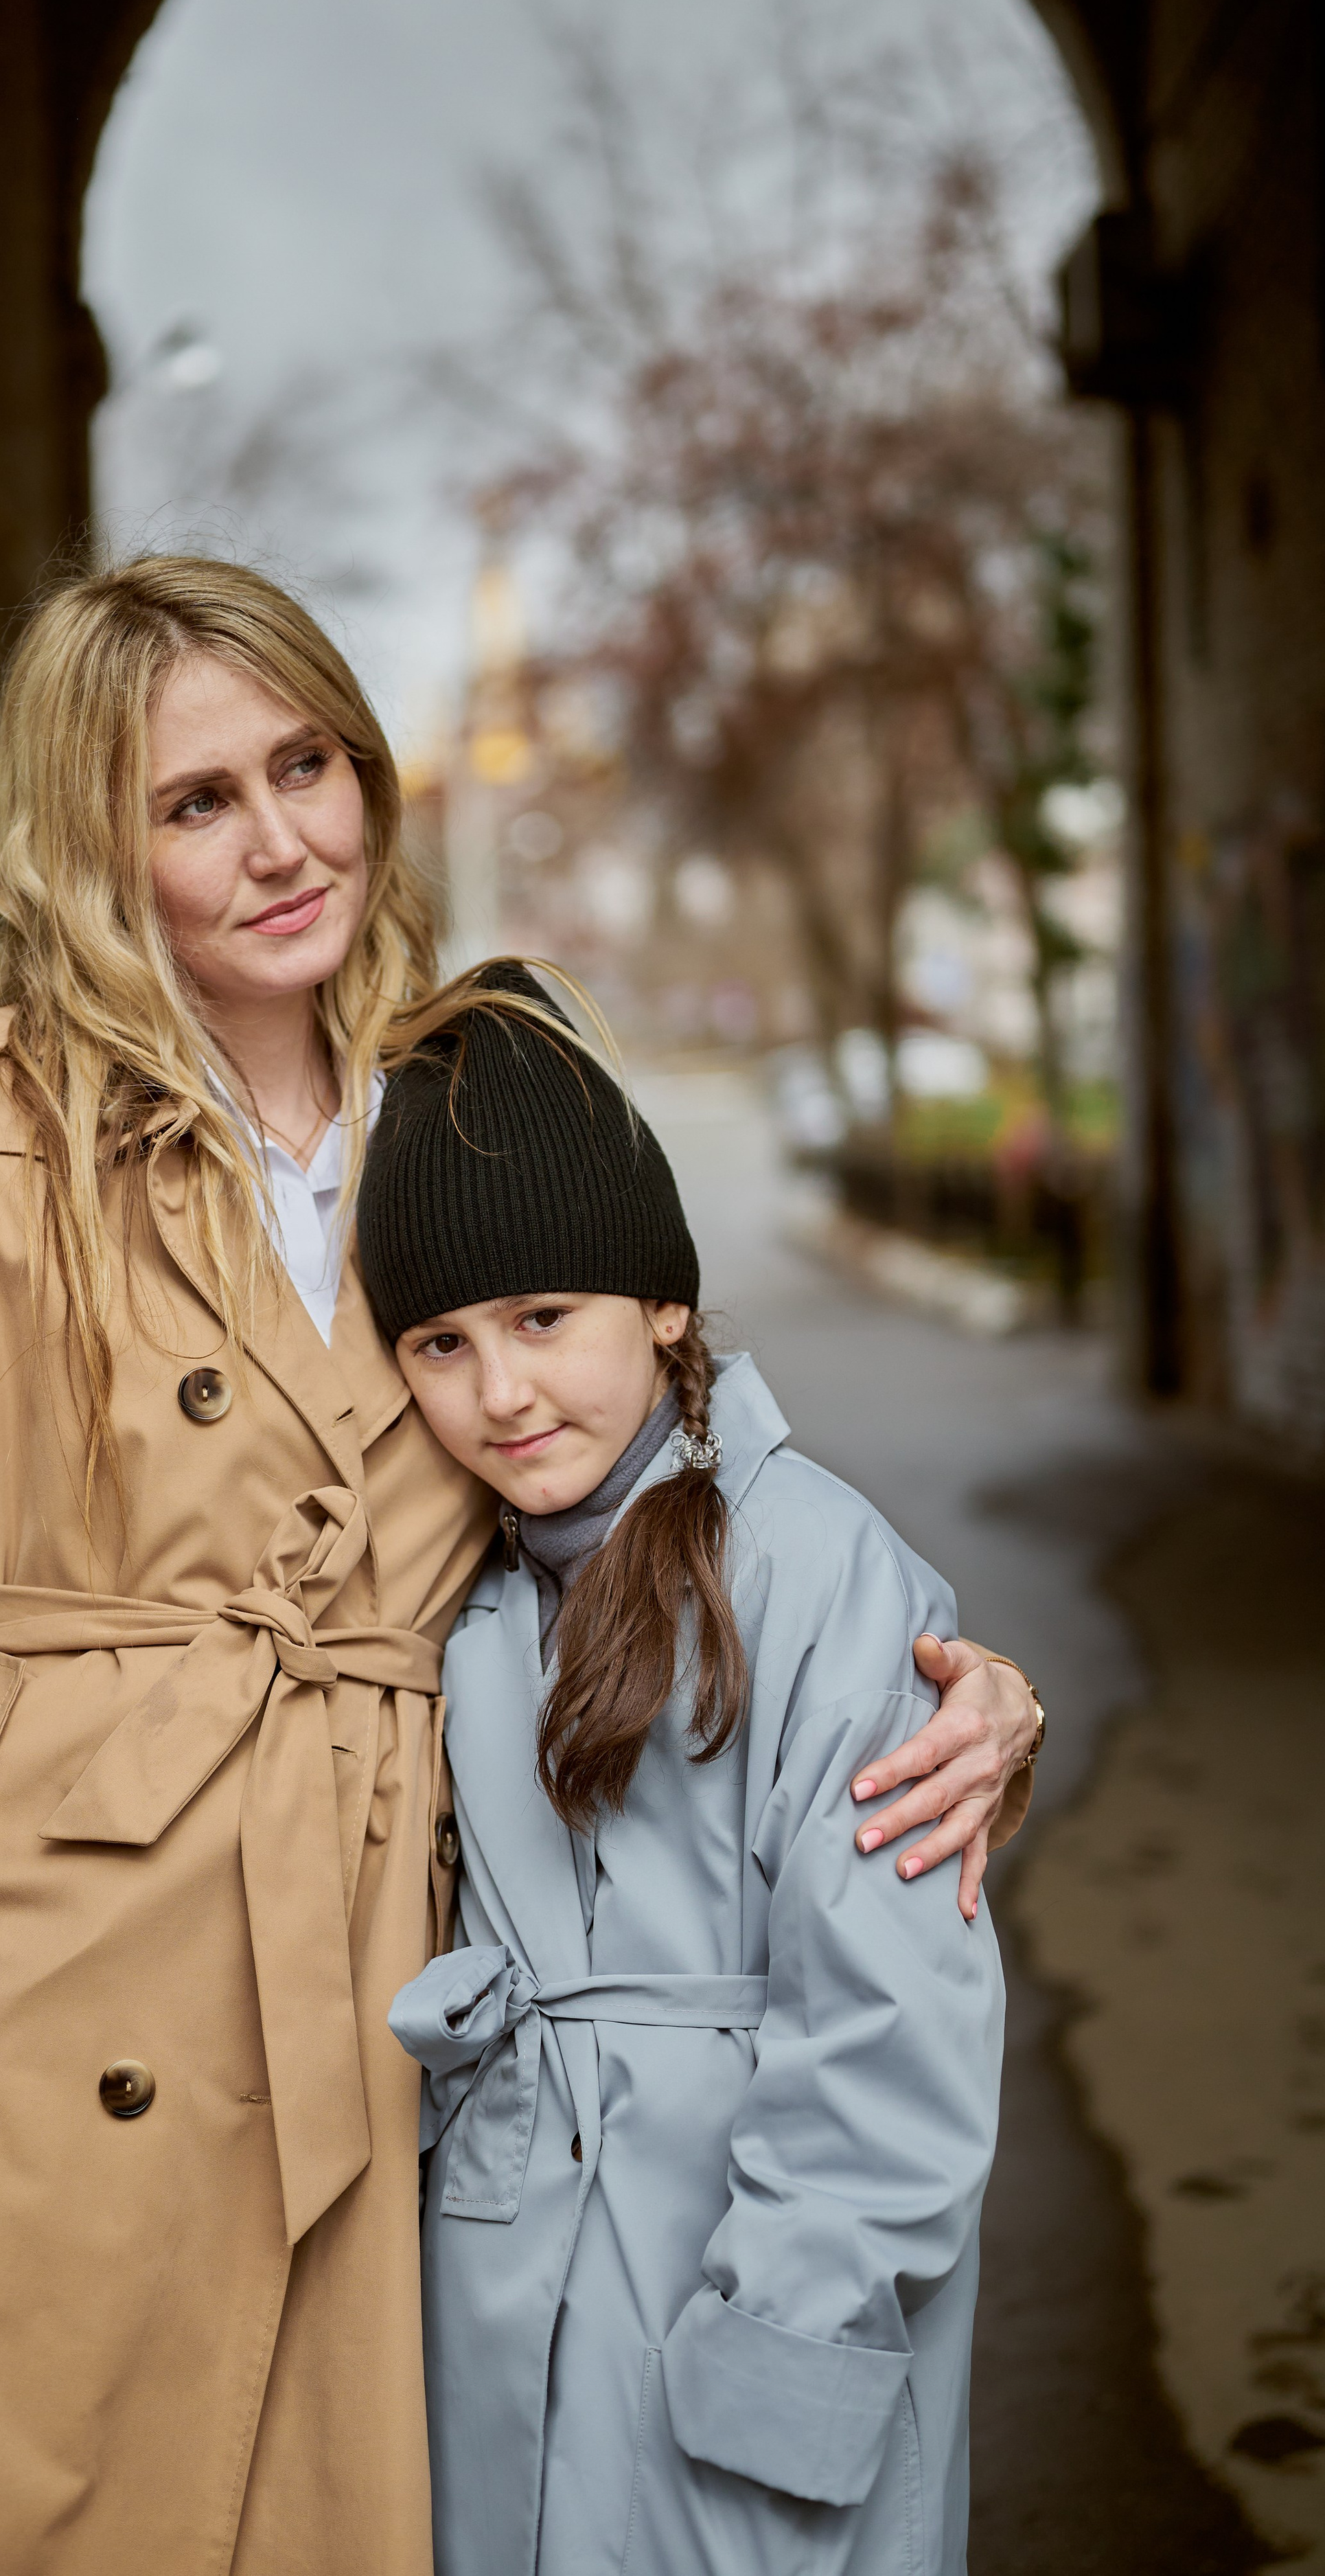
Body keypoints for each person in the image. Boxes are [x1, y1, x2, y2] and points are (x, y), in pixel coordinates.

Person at [0, 556, 1033, 2576]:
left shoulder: (465, 1085)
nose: (280, 842)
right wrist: (22, 1727)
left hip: (360, 2018)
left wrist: (959, 1681)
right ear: (100, 847)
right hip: (26, 1983)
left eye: (307, 764)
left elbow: (662, 1438)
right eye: (195, 802)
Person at [360, 966, 1007, 2576]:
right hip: (501, 2314)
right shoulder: (463, 1600)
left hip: (738, 2314)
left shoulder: (813, 1570)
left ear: (660, 1301)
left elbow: (888, 2035)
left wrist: (769, 2364)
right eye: (437, 1342)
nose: (498, 1393)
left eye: (541, 1319)